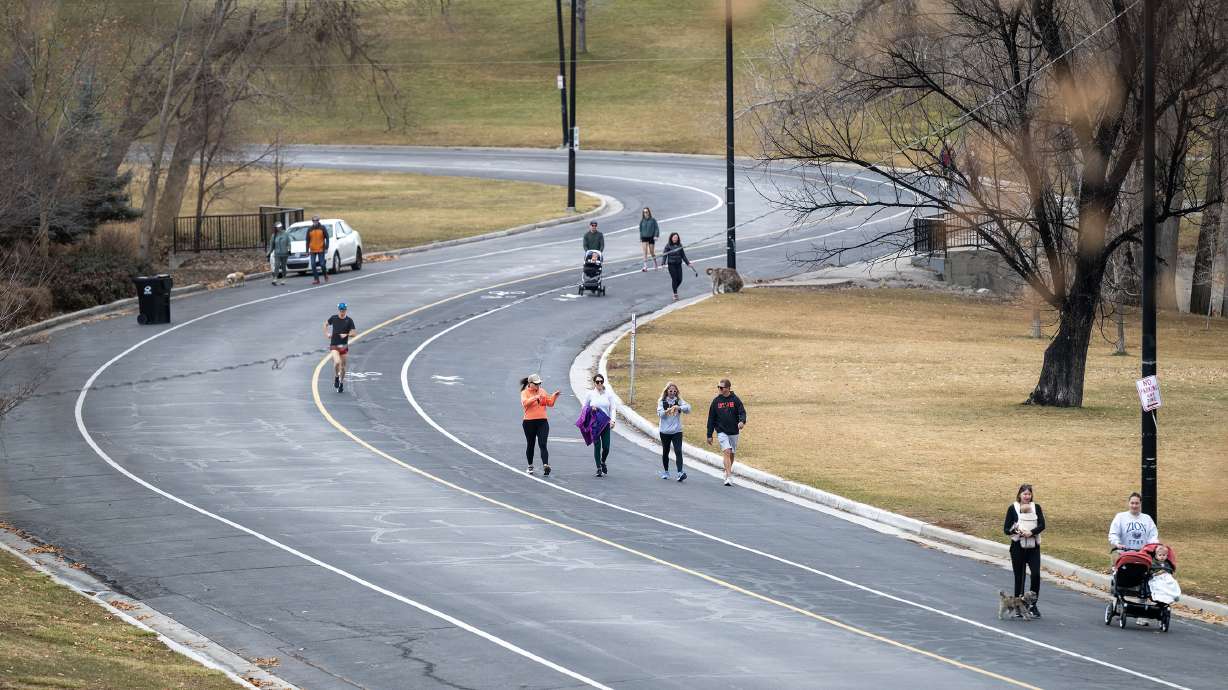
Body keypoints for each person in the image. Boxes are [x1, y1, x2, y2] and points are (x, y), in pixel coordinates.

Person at [1003, 484, 1046, 618]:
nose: (1027, 496)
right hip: (1018, 547)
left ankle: (1033, 605)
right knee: (1019, 577)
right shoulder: (1012, 508)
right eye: (1024, 494)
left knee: (1035, 575)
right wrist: (1018, 531)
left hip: (1033, 547)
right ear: (1019, 495)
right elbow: (1006, 529)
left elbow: (1042, 525)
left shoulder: (1036, 507)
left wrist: (1031, 532)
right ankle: (1018, 606)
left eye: (1029, 494)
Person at [706, 378, 746, 486]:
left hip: (734, 431)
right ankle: (728, 477)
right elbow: (711, 418)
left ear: (728, 388)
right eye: (718, 387)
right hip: (721, 431)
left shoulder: (735, 400)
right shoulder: (716, 401)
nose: (719, 389)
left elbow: (742, 412)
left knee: (732, 453)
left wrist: (742, 421)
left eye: (721, 387)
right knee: (727, 451)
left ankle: (727, 470)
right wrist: (709, 434)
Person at [520, 374, 560, 476]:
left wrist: (554, 396)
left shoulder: (542, 391)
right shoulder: (525, 392)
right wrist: (535, 397)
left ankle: (546, 465)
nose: (538, 386)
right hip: (529, 422)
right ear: (530, 384)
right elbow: (525, 403)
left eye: (539, 383)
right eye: (536, 384)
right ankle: (530, 465)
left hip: (542, 421)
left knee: (543, 443)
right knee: (531, 444)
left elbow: (550, 403)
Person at [1108, 492, 1159, 565]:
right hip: (1124, 556)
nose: (1134, 506)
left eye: (1137, 503)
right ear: (1128, 503)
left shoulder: (1147, 518)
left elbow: (1153, 536)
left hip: (1142, 556)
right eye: (1132, 503)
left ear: (1140, 504)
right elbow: (1113, 534)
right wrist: (1118, 543)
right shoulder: (1120, 517)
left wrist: (1154, 546)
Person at [656, 382, 691, 481]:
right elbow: (660, 414)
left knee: (678, 450)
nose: (672, 393)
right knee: (665, 451)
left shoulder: (679, 401)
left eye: (674, 391)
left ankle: (680, 472)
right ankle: (666, 471)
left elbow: (688, 409)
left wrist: (678, 407)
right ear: (667, 391)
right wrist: (667, 411)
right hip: (665, 431)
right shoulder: (662, 401)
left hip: (677, 431)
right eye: (670, 391)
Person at [584, 373, 617, 477]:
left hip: (605, 423)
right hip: (595, 424)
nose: (599, 383)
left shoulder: (608, 394)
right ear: (594, 383)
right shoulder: (590, 394)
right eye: (597, 382)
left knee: (606, 447)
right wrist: (591, 408)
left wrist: (613, 420)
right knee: (597, 445)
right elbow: (584, 408)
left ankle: (603, 461)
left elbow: (613, 408)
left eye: (601, 382)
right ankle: (598, 467)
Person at [324, 302, 356, 393]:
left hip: (344, 346)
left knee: (343, 367)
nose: (342, 312)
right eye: (341, 310)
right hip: (334, 345)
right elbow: (325, 324)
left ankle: (341, 383)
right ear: (339, 310)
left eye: (344, 310)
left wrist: (346, 334)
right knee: (337, 362)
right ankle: (336, 377)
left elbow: (354, 333)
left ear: (346, 310)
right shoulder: (334, 318)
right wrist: (327, 334)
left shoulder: (349, 320)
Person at [661, 232, 697, 301]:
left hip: (678, 264)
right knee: (674, 279)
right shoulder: (668, 246)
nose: (675, 239)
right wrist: (663, 263)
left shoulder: (680, 245)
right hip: (671, 265)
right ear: (671, 238)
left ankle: (674, 289)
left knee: (680, 279)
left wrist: (688, 263)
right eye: (674, 237)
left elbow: (683, 255)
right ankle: (675, 294)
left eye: (676, 238)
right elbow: (664, 255)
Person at [306, 216, 329, 285]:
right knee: (313, 264)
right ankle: (316, 279)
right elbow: (307, 240)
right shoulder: (310, 229)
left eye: (316, 220)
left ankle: (325, 275)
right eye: (314, 221)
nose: (315, 222)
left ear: (318, 221)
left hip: (321, 249)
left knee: (322, 264)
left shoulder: (322, 228)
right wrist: (307, 250)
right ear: (312, 221)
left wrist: (326, 247)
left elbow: (327, 238)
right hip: (312, 250)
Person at [639, 207, 660, 271]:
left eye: (646, 212)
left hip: (651, 237)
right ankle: (645, 267)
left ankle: (655, 264)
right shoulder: (642, 221)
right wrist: (640, 237)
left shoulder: (653, 220)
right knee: (645, 252)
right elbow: (640, 230)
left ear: (649, 212)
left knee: (651, 252)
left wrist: (656, 236)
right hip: (644, 238)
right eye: (644, 212)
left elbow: (656, 228)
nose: (645, 213)